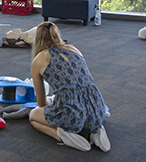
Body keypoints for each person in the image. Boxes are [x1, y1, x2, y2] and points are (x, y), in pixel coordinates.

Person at [28, 22, 110, 152]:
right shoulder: (74, 49)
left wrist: (49, 101)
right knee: (68, 104)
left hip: (72, 114)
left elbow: (41, 103)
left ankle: (62, 135)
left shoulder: (39, 59)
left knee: (33, 116)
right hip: (97, 107)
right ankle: (95, 129)